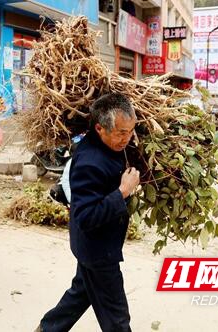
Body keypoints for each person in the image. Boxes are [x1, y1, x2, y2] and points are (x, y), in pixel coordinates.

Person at [37, 93, 140, 332]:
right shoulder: (90, 163)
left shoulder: (105, 144)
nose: (127, 138)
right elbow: (85, 216)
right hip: (98, 250)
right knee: (117, 317)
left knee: (81, 292)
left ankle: (47, 328)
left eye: (130, 131)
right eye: (121, 133)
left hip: (90, 247)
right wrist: (123, 192)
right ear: (99, 128)